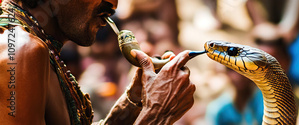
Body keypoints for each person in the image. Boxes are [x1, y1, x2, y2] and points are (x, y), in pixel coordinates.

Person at [0, 0, 195, 124]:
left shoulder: (39, 48)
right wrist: (156, 114)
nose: (113, 4)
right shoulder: (20, 50)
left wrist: (136, 100)